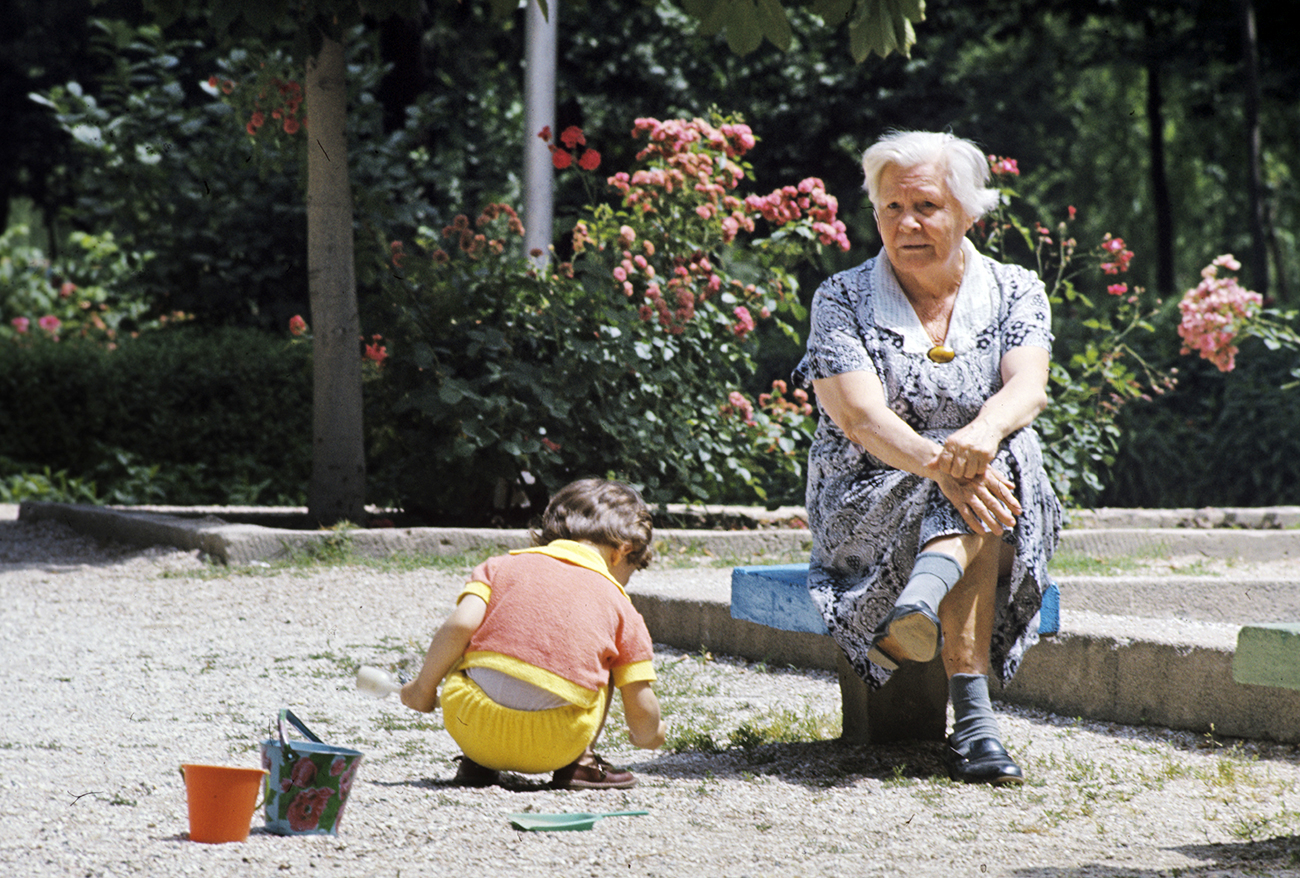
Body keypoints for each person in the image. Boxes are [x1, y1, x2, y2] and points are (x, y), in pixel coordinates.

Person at [794, 130, 1062, 785]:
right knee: (976, 491)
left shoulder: (1015, 289)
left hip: (985, 487)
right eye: (891, 208)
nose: (906, 223)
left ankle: (926, 594)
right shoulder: (841, 298)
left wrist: (981, 435)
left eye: (926, 207)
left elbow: (1028, 387)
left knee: (1002, 454)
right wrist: (946, 463)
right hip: (868, 495)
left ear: (970, 212)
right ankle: (975, 728)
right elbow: (860, 419)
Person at [400, 478, 668, 789]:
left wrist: (422, 688)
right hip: (557, 741)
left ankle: (478, 764)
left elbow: (460, 625)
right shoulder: (620, 604)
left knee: (482, 642)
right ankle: (581, 763)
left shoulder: (498, 567)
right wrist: (649, 734)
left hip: (470, 724)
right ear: (622, 551)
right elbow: (639, 700)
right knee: (607, 661)